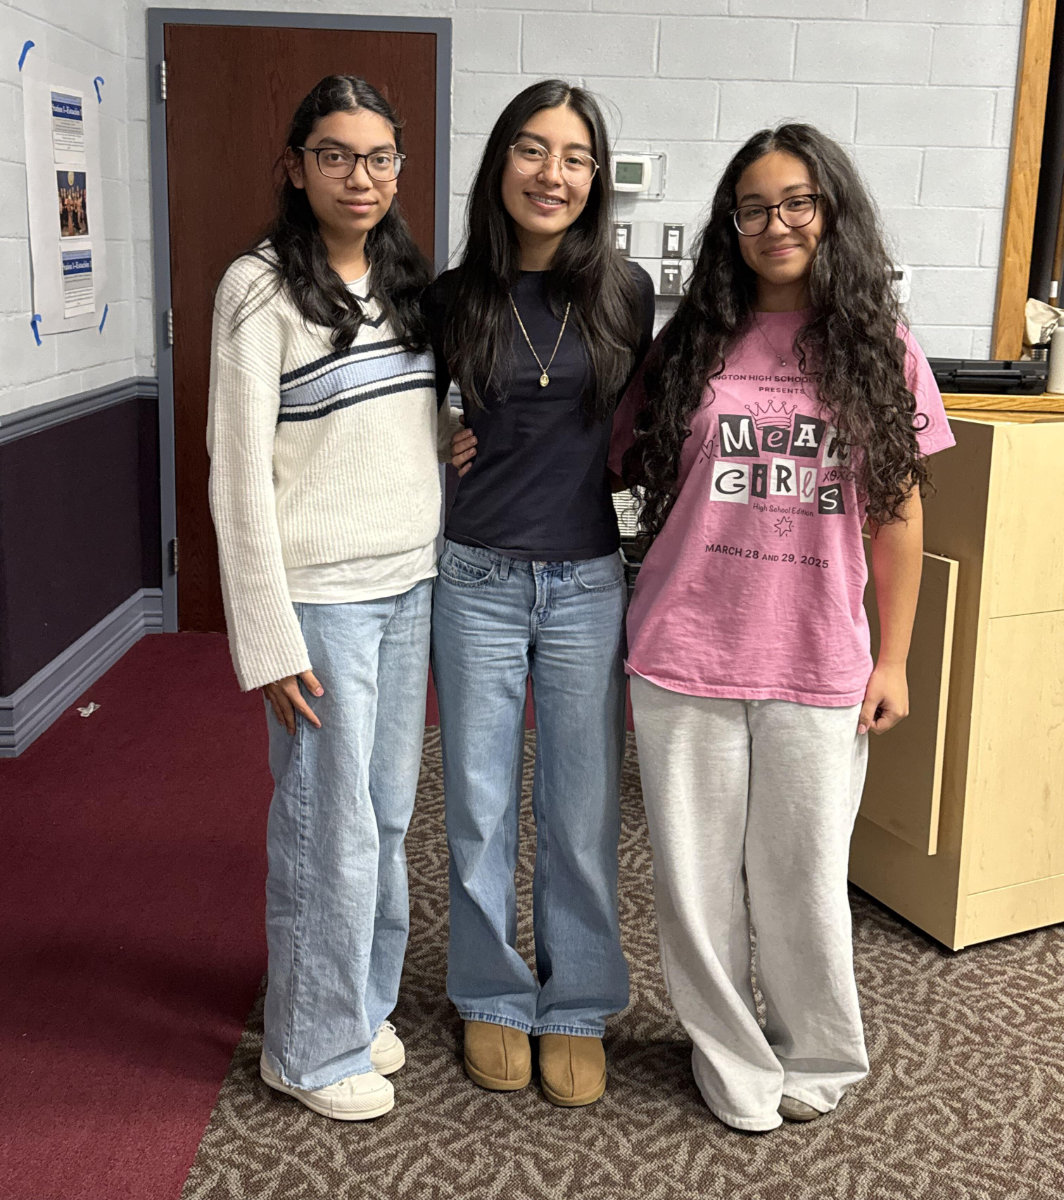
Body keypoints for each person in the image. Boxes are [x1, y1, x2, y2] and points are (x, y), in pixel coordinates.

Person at [610, 124, 955, 1132]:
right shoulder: (691, 343)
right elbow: (610, 460)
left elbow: (896, 509)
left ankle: (819, 1053)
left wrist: (891, 656)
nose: (776, 223)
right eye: (753, 207)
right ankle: (728, 1057)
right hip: (683, 650)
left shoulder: (875, 345)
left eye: (797, 201)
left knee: (801, 879)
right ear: (730, 224)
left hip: (817, 659)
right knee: (697, 884)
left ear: (829, 211)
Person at [206, 75, 440, 1121]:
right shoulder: (255, 288)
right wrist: (266, 633)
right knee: (325, 827)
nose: (361, 176)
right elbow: (235, 472)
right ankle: (304, 1046)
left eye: (379, 157)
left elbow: (389, 427)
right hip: (321, 603)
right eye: (336, 155)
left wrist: (455, 445)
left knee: (384, 820)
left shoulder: (402, 280)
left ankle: (355, 1007)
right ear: (295, 165)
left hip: (411, 584)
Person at [423, 79, 655, 1107]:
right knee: (476, 803)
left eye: (572, 156)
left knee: (579, 804)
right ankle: (491, 994)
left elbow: (642, 427)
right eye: (530, 149)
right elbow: (408, 413)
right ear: (501, 165)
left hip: (583, 579)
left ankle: (574, 1003)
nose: (549, 173)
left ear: (594, 176)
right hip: (472, 576)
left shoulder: (626, 291)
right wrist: (435, 438)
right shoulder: (451, 295)